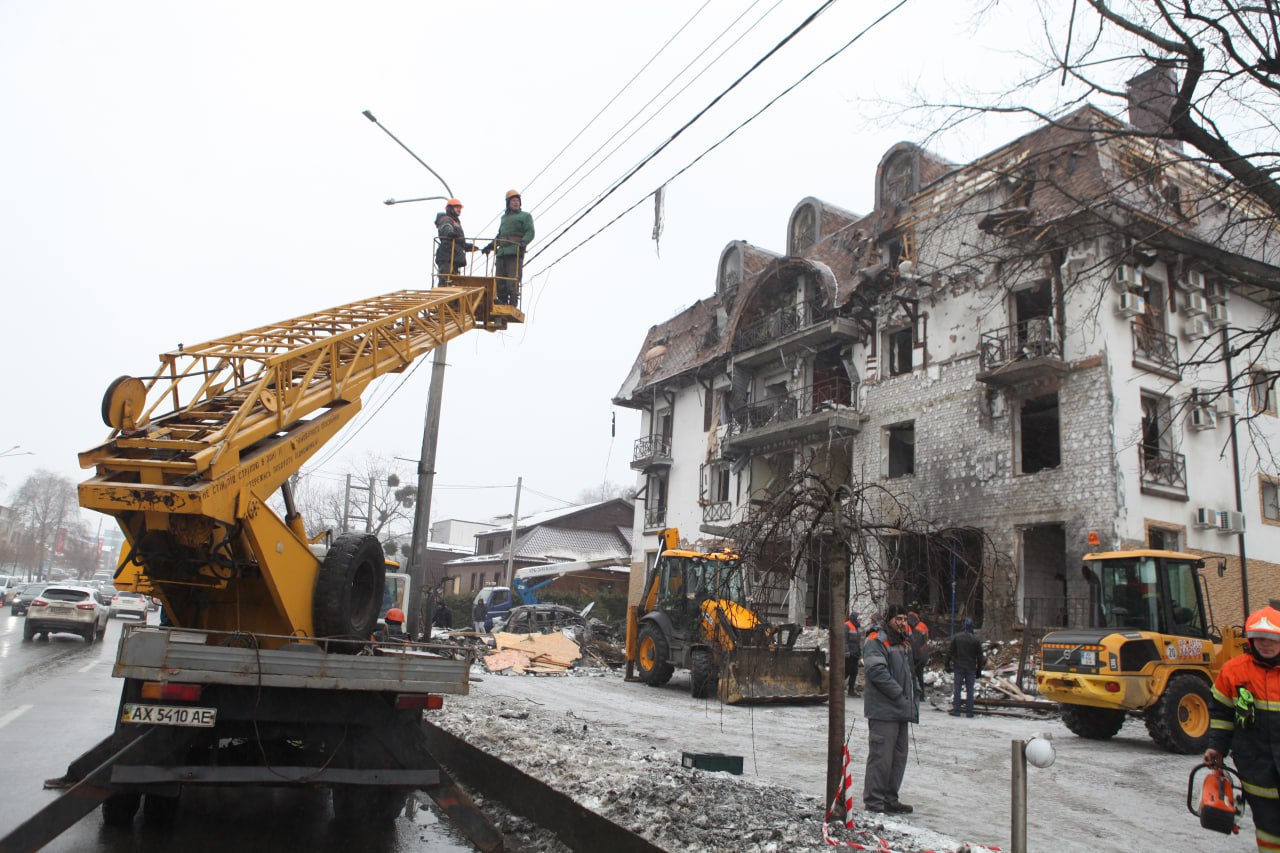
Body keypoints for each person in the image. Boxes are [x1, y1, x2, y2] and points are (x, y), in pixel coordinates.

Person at [1204, 605, 1280, 851]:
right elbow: (1222, 715)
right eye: (1260, 639)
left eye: (1272, 639)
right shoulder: (1234, 672)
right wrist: (1216, 746)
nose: (1266, 644)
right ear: (1250, 639)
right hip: (1255, 764)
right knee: (1268, 826)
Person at [861, 604, 918, 815]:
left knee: (898, 757)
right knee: (881, 756)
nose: (902, 622)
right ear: (889, 619)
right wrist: (898, 694)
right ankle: (874, 801)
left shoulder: (902, 642)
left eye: (904, 619)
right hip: (884, 710)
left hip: (900, 709)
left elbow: (910, 671)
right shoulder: (876, 640)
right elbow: (876, 671)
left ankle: (889, 798)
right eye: (898, 618)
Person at [482, 189, 535, 306]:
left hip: (514, 251)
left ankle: (513, 302)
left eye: (517, 200)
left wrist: (524, 242)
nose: (516, 203)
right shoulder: (504, 218)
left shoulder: (525, 216)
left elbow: (530, 231)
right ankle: (502, 301)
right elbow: (500, 235)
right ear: (508, 203)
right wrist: (490, 246)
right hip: (502, 253)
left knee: (512, 279)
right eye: (513, 201)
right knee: (499, 279)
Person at [945, 618, 984, 718]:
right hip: (970, 668)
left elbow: (950, 652)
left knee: (957, 689)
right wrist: (979, 671)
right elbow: (980, 657)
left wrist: (947, 665)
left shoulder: (957, 637)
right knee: (970, 690)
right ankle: (969, 711)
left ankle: (957, 710)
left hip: (959, 666)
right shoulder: (976, 640)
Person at [434, 198, 473, 279]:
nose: (459, 209)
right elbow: (446, 227)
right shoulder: (446, 219)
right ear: (450, 209)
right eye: (456, 207)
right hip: (447, 256)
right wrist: (450, 233)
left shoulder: (457, 222)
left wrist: (466, 245)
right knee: (445, 281)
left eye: (460, 208)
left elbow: (458, 240)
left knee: (453, 280)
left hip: (455, 257)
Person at [906, 610, 929, 694]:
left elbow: (915, 645)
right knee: (919, 674)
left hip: (919, 654)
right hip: (924, 653)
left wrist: (914, 658)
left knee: (916, 674)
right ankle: (921, 693)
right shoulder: (922, 625)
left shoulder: (916, 629)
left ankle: (919, 693)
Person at [844, 611, 862, 697]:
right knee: (847, 672)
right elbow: (844, 640)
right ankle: (834, 687)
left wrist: (859, 653)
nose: (860, 621)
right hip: (849, 654)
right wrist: (846, 652)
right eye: (859, 619)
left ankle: (851, 690)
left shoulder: (857, 627)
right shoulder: (847, 625)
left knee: (854, 672)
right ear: (855, 618)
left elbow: (858, 642)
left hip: (855, 654)